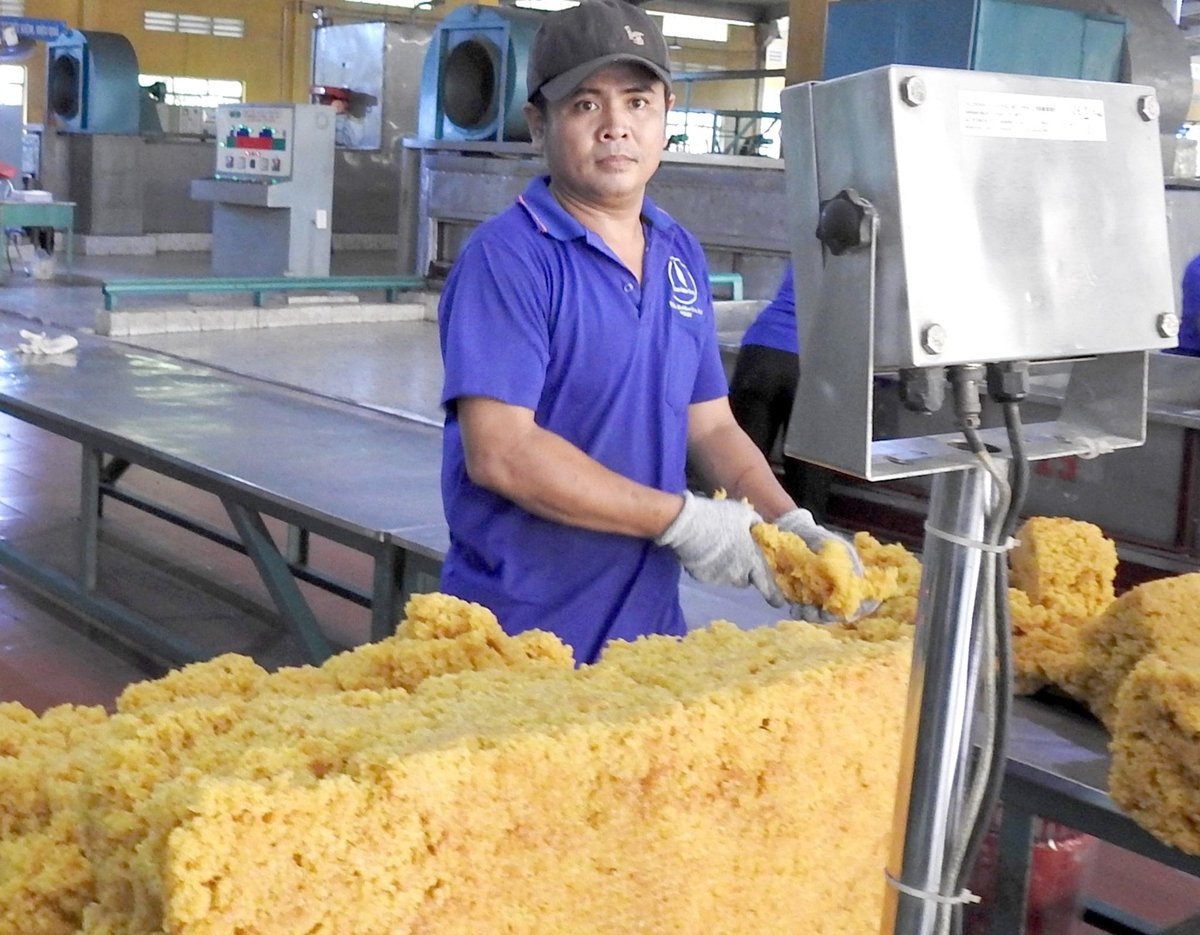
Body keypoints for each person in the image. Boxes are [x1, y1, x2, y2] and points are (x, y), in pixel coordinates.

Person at [436, 0, 868, 664]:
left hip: (649, 634)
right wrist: (684, 520)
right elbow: (502, 452)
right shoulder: (509, 258)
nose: (616, 126)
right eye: (586, 104)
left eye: (637, 102)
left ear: (666, 114)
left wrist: (787, 523)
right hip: (520, 635)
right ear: (538, 123)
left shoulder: (677, 252)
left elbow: (712, 427)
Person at [728, 263, 832, 520]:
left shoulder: (812, 245)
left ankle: (731, 539)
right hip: (814, 362)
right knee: (807, 498)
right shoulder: (870, 261)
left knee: (739, 479)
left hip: (760, 349)